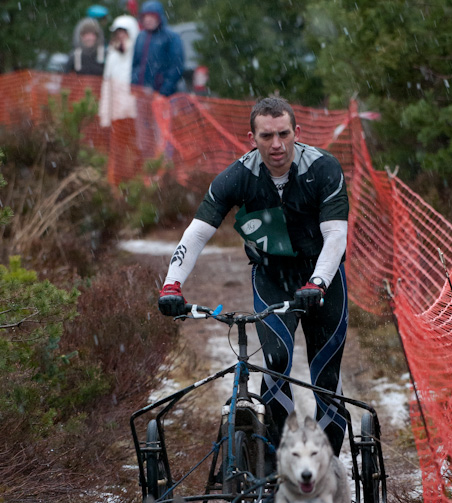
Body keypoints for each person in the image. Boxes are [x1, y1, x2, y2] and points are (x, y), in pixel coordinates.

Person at [158, 96, 349, 457]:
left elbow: (336, 235)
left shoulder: (323, 169)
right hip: (272, 276)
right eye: (266, 136)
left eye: (283, 134)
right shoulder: (238, 176)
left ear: (297, 132)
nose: (277, 145)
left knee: (326, 376)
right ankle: (275, 467)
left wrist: (318, 282)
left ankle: (327, 467)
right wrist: (172, 284)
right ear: (252, 138)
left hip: (323, 278)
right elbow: (196, 234)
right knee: (275, 364)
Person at [131, 1, 184, 96]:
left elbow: (176, 67)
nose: (148, 20)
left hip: (161, 94)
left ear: (159, 17)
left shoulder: (171, 37)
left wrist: (164, 91)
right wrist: (134, 83)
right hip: (141, 92)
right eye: (145, 16)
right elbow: (135, 64)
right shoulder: (141, 37)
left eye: (152, 16)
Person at [99, 15, 140, 126]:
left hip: (131, 96)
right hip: (114, 96)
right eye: (118, 32)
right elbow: (107, 77)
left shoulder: (137, 52)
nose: (121, 35)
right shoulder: (112, 51)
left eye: (124, 32)